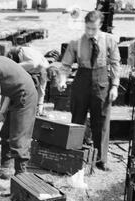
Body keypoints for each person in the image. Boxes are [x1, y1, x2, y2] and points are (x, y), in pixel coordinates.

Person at [59, 10, 120, 171]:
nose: (90, 32)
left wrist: (114, 86)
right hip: (82, 80)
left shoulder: (109, 40)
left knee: (101, 121)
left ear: (100, 25)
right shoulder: (76, 42)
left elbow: (115, 64)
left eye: (93, 28)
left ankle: (101, 159)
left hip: (101, 81)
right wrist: (62, 79)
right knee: (77, 119)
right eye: (87, 28)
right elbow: (65, 65)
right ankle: (75, 155)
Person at [7, 46, 49, 115]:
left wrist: (40, 105)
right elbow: (13, 69)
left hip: (29, 58)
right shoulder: (32, 63)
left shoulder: (44, 67)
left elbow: (42, 89)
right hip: (16, 54)